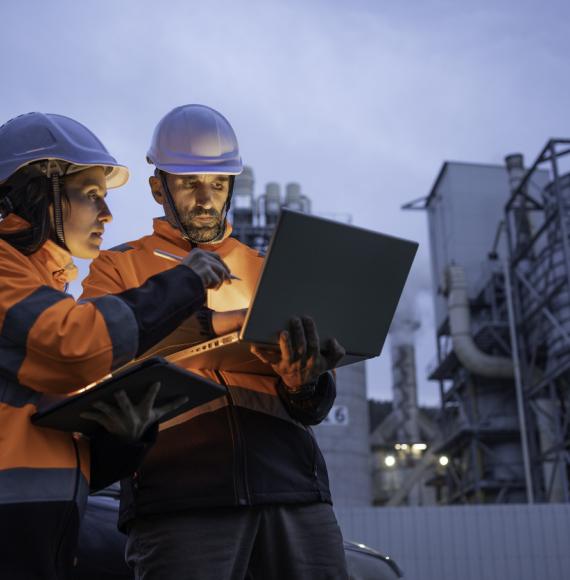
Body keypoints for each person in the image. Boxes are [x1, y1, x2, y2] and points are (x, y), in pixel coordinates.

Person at [81, 104, 350, 579]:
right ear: (157, 188)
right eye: (189, 183)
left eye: (218, 183)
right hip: (179, 496)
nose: (206, 199)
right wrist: (222, 322)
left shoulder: (268, 268)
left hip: (293, 490)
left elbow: (312, 407)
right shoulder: (118, 268)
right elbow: (97, 353)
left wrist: (304, 381)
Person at [0, 112, 233, 579]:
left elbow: (54, 444)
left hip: (41, 534)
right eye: (91, 196)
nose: (106, 214)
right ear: (39, 192)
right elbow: (76, 345)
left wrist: (126, 437)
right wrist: (184, 282)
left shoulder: (47, 288)